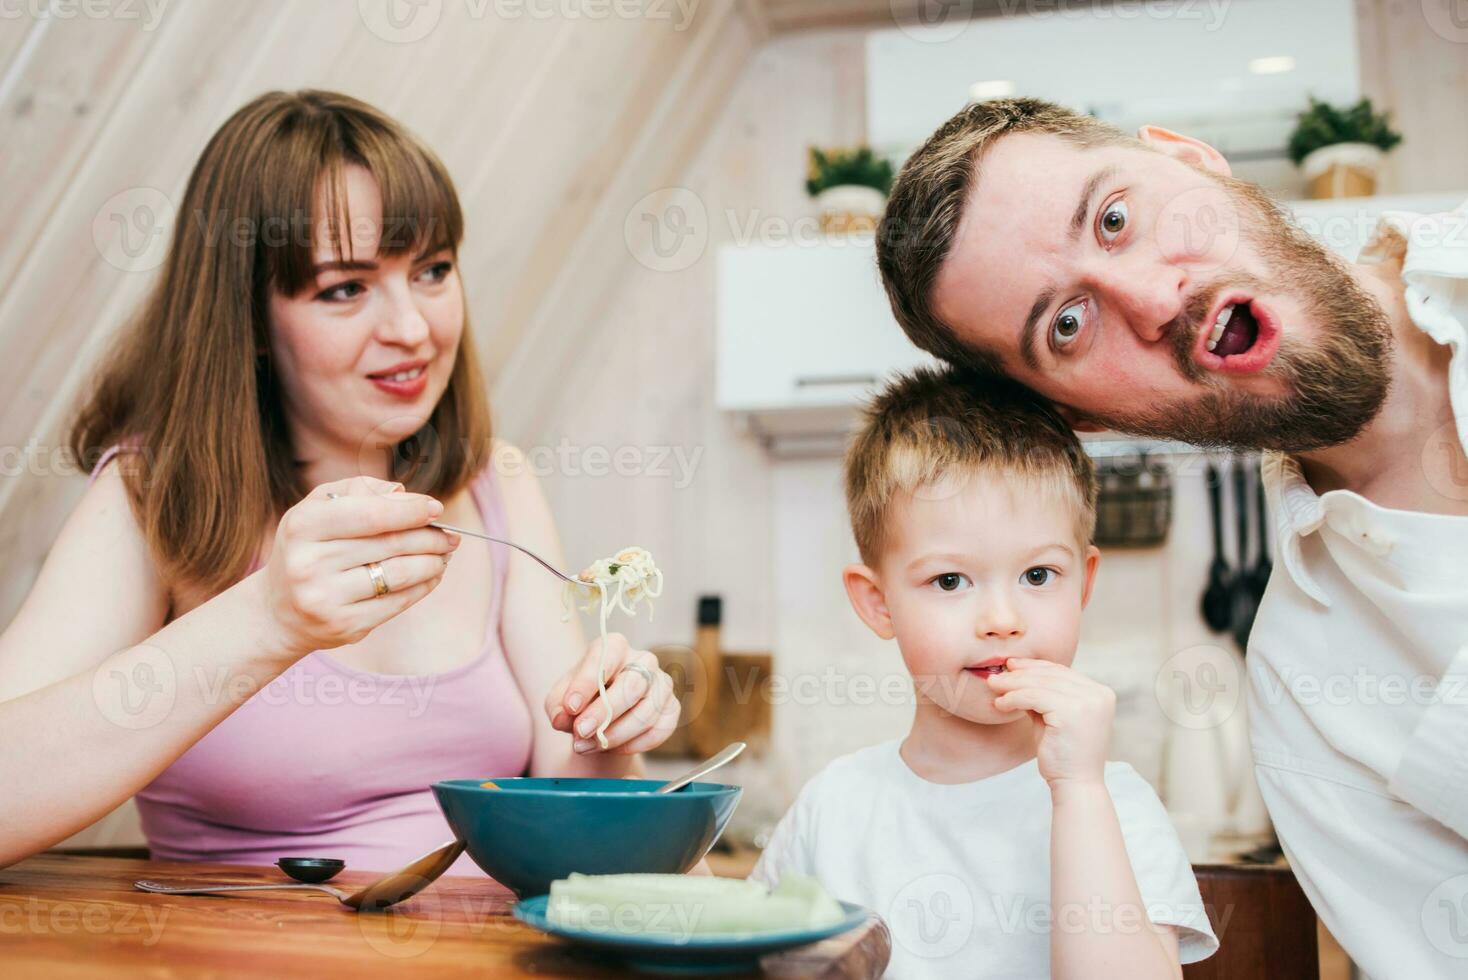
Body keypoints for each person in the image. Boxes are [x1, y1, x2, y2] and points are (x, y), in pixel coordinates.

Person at [0, 90, 680, 873]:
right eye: (346, 288)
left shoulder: (499, 482)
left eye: (431, 270)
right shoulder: (152, 497)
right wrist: (270, 618)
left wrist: (608, 733)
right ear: (249, 321)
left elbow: (574, 813)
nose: (413, 330)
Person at [874, 96, 1468, 977]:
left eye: (1115, 218)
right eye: (1067, 325)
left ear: (1192, 158)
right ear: (1086, 419)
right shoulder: (1310, 709)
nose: (1157, 300)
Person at [750, 366, 1217, 978]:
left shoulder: (1113, 804)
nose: (1002, 619)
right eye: (950, 580)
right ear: (877, 602)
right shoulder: (832, 808)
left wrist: (1079, 793)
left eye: (1038, 575)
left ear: (1084, 584)